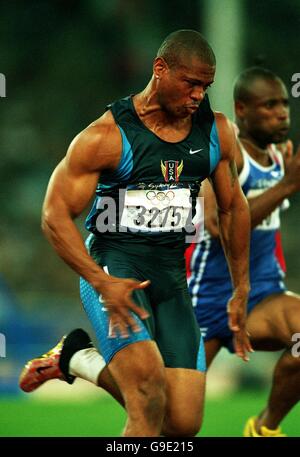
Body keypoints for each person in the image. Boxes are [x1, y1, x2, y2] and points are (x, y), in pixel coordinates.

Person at [19, 29, 252, 437]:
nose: (198, 95)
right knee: (146, 400)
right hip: (115, 266)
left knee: (181, 425)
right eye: (190, 83)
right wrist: (100, 280)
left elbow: (234, 208)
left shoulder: (216, 132)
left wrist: (241, 287)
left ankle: (75, 358)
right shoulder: (106, 137)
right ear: (159, 69)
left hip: (170, 276)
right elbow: (55, 215)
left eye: (206, 86)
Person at [187, 66, 300, 437]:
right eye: (269, 105)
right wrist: (286, 187)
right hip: (205, 301)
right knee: (172, 419)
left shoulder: (282, 155)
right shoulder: (225, 155)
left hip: (261, 295)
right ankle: (78, 359)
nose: (282, 112)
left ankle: (263, 428)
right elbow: (219, 225)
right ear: (241, 110)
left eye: (284, 103)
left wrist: (286, 180)